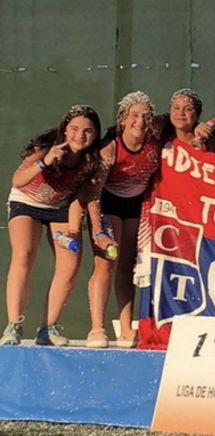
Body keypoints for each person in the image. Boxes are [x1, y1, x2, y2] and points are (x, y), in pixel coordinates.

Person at [1, 105, 113, 346]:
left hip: (60, 207)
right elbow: (17, 179)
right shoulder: (45, 147)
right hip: (25, 200)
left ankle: (47, 328)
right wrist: (45, 162)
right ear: (65, 130)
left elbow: (80, 198)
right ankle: (14, 325)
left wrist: (73, 230)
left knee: (70, 264)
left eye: (87, 131)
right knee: (24, 254)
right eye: (74, 129)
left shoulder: (92, 161)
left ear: (95, 134)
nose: (80, 136)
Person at [84, 92, 162, 349]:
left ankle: (126, 328)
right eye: (134, 115)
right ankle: (97, 327)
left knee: (128, 266)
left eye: (145, 116)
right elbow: (93, 192)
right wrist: (97, 229)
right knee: (107, 262)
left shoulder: (155, 143)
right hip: (108, 205)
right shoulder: (111, 149)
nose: (140, 121)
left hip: (136, 206)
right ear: (123, 119)